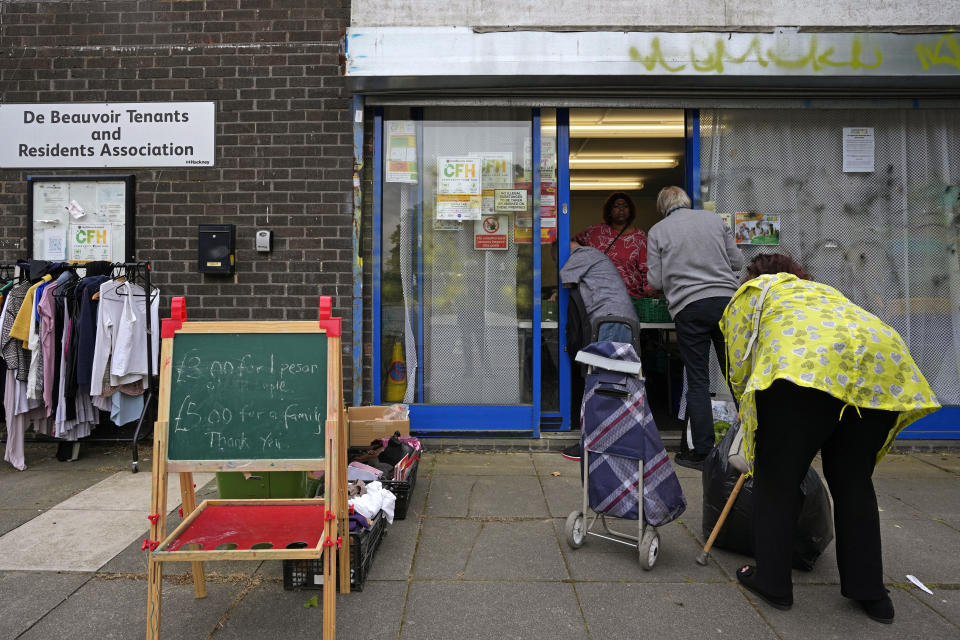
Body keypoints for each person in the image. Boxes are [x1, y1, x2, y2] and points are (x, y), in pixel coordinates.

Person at [721, 253, 939, 623]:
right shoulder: (825, 293)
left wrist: (746, 406)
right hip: (878, 368)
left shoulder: (756, 291)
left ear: (753, 275)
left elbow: (739, 356)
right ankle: (871, 594)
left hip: (805, 372)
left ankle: (772, 582)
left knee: (778, 481)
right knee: (853, 481)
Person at [646, 186, 743, 470]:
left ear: (663, 207)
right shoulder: (714, 221)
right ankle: (757, 443)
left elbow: (655, 281)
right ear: (687, 202)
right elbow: (737, 262)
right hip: (727, 304)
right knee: (737, 376)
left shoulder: (658, 231)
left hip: (689, 308)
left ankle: (702, 452)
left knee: (698, 381)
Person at [558, 241, 640, 460]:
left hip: (611, 322)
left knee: (600, 384)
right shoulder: (596, 259)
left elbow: (564, 277)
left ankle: (591, 445)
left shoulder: (584, 253)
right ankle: (612, 440)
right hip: (616, 321)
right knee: (616, 382)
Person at [574, 192, 653, 299]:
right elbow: (570, 245)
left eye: (625, 206)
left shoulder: (639, 237)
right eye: (616, 206)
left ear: (630, 211)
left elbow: (646, 268)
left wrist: (650, 291)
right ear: (609, 211)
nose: (621, 209)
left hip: (631, 298)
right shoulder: (595, 232)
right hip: (598, 296)